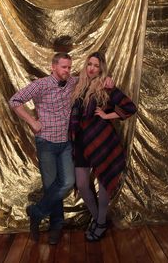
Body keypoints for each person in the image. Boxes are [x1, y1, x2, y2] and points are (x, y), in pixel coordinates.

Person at [9, 52, 77, 245]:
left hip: (64, 143)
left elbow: (90, 79)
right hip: (46, 142)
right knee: (51, 186)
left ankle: (36, 212)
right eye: (64, 67)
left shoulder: (72, 81)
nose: (67, 71)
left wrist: (107, 79)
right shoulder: (41, 85)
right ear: (53, 67)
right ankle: (56, 226)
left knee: (66, 183)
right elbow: (14, 101)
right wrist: (32, 121)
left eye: (69, 67)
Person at [69, 52, 137, 242]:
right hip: (81, 142)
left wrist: (107, 116)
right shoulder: (78, 85)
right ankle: (99, 219)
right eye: (89, 64)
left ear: (102, 68)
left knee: (104, 182)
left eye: (96, 66)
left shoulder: (106, 86)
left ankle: (99, 222)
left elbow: (130, 107)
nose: (91, 68)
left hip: (102, 142)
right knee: (82, 185)